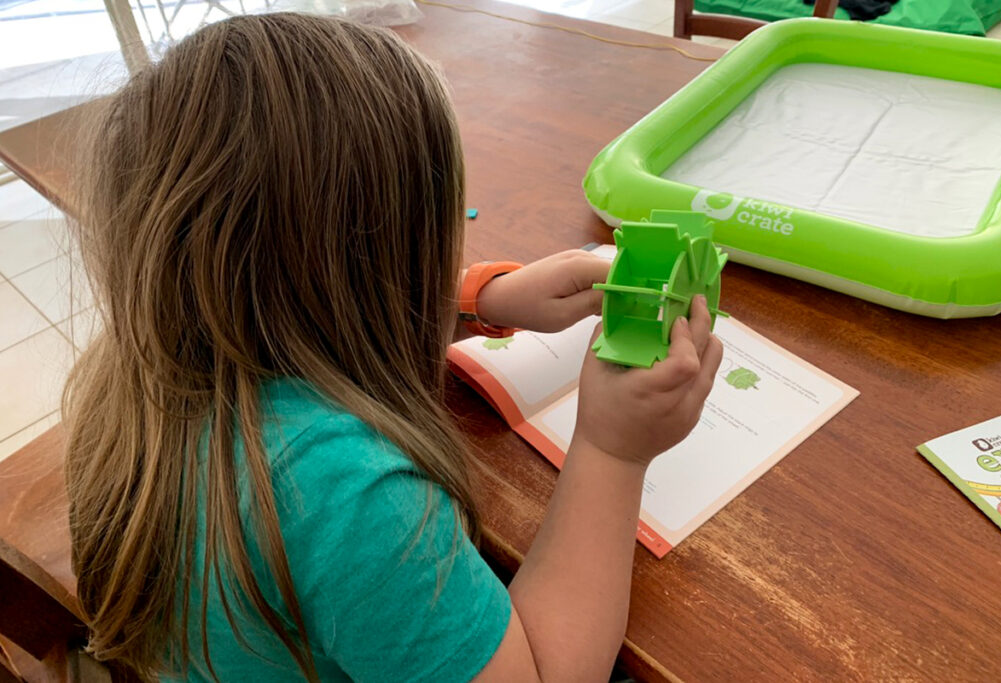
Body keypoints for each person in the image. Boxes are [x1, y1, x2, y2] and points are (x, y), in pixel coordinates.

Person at [63, 12, 722, 682]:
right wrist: (613, 449)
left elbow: (299, 312)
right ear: (365, 259)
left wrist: (477, 299)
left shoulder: (142, 362)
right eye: (440, 229)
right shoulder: (344, 494)